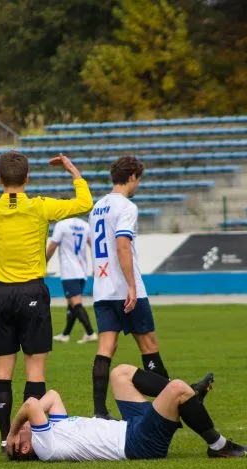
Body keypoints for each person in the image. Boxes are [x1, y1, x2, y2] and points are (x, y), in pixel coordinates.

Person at [0, 151, 93, 453]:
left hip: (1, 295)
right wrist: (72, 169)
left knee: (2, 371)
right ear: (27, 178)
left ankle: (4, 437)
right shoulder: (40, 206)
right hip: (32, 292)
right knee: (35, 371)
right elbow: (85, 203)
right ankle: (29, 436)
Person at [6, 365, 247, 461]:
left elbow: (52, 396)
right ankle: (218, 445)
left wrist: (17, 433)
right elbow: (31, 405)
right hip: (138, 443)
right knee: (177, 388)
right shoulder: (45, 447)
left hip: (130, 426)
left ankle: (189, 402)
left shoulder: (51, 431)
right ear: (25, 448)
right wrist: (12, 432)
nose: (27, 425)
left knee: (120, 373)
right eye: (23, 433)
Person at [88, 155, 168, 419]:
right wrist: (132, 286)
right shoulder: (126, 207)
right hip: (125, 288)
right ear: (132, 176)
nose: (138, 185)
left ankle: (100, 412)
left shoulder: (97, 207)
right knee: (148, 345)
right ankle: (171, 401)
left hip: (102, 288)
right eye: (138, 180)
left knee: (105, 348)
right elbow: (122, 245)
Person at [45, 217, 97, 344]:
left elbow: (52, 245)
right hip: (82, 270)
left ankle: (90, 333)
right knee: (72, 303)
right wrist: (95, 266)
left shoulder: (62, 225)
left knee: (75, 302)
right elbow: (93, 246)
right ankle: (65, 334)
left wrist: (44, 261)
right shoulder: (85, 225)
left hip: (69, 270)